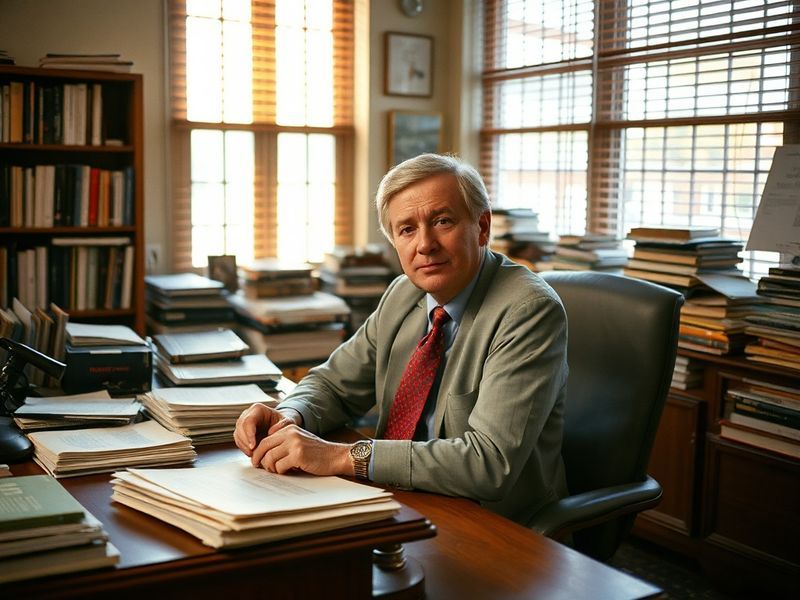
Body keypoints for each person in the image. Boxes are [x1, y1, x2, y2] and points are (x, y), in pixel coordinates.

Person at [234, 153, 568, 525]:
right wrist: (288, 416)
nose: (425, 245)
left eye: (442, 221)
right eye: (407, 229)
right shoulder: (403, 294)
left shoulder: (528, 310)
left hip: (491, 524)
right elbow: (334, 384)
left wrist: (343, 457)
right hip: (395, 501)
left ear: (482, 226)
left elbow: (489, 463)